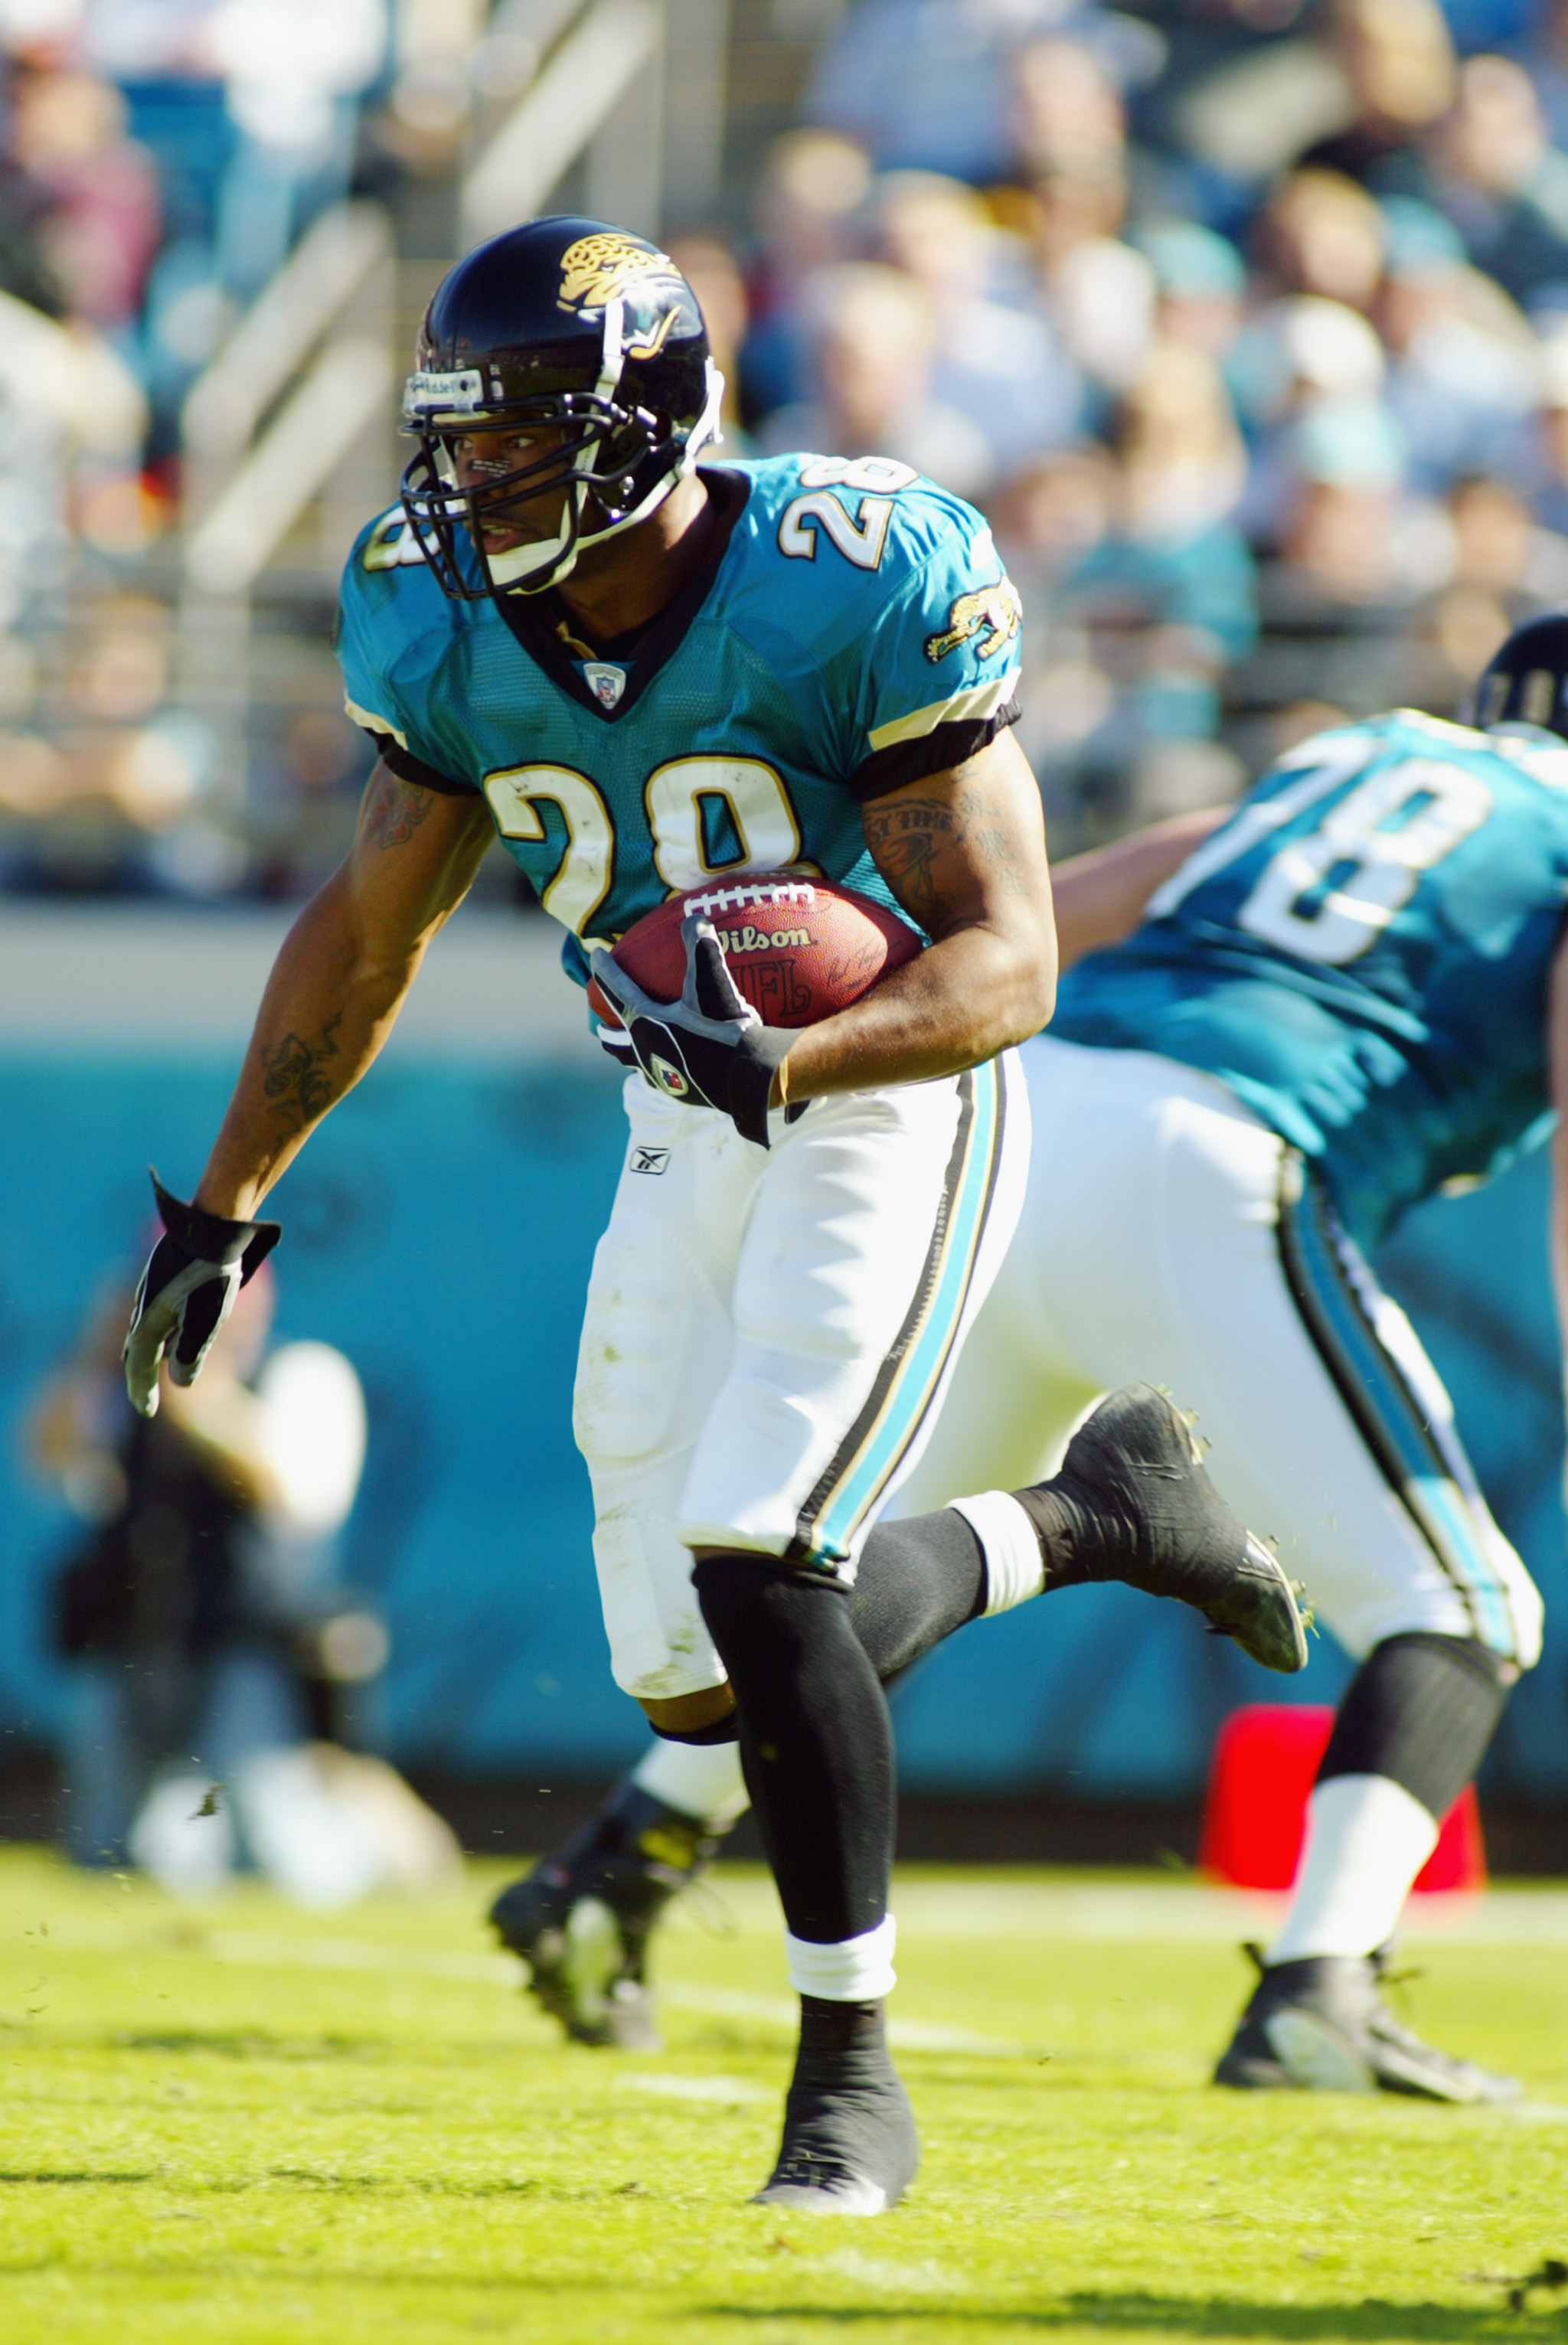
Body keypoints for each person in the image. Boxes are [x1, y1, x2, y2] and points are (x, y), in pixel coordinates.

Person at [119, 218, 1298, 2214]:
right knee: (686, 1673)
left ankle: (848, 2078)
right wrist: (227, 1205)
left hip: (894, 1086)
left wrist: (805, 1064)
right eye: (459, 441)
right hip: (685, 1118)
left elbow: (1012, 961)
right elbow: (370, 931)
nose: (472, 483)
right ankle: (1095, 1516)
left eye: (520, 439)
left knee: (765, 1553)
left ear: (649, 423)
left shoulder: (853, 579)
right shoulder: (436, 613)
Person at [505, 611, 1568, 2107]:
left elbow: (1064, 907)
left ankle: (620, 1860)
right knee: (1458, 1600)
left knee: (830, 1568)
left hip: (1019, 1113)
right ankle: (1321, 1984)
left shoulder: (1348, 762)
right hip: (1211, 1151)